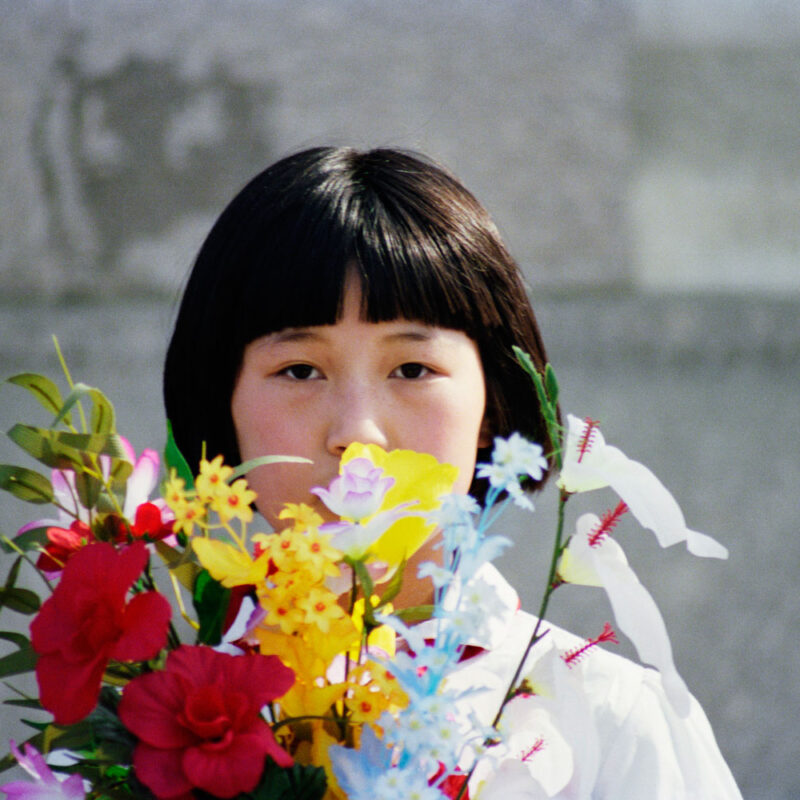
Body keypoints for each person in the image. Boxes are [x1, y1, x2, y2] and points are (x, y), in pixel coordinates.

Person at [163, 146, 741, 797]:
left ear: (491, 407)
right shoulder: (153, 728)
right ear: (223, 409)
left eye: (412, 370)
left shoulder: (609, 724)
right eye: (299, 370)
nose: (358, 432)